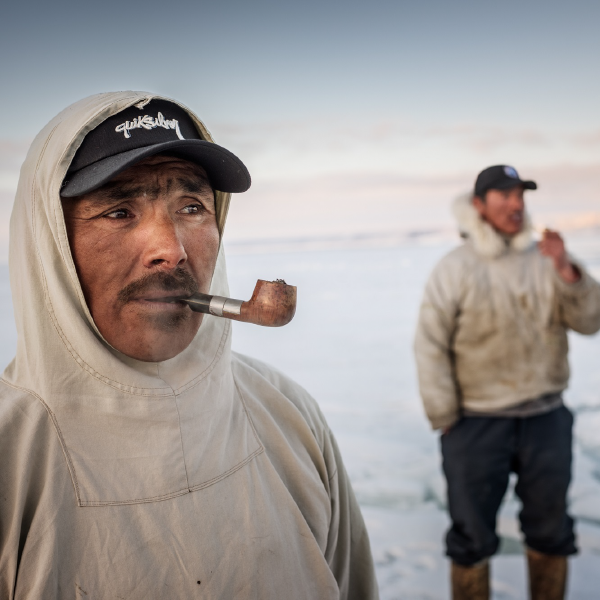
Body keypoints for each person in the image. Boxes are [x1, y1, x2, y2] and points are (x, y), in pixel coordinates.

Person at [0, 92, 379, 599]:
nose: (171, 250)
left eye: (193, 207)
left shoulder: (287, 412)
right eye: (118, 211)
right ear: (49, 242)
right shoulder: (12, 453)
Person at [414, 165, 600, 600]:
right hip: (476, 423)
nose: (516, 204)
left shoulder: (546, 258)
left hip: (545, 418)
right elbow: (430, 344)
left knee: (551, 531)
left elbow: (590, 321)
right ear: (478, 205)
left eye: (520, 195)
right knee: (471, 537)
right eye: (504, 196)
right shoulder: (454, 267)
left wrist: (567, 269)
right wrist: (445, 416)